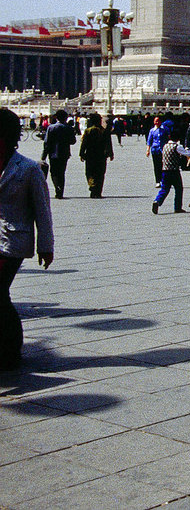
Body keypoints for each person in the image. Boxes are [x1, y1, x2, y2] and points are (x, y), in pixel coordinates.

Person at [0, 109, 54, 372]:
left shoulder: (28, 168)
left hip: (13, 242)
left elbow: (42, 211)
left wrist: (46, 246)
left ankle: (11, 349)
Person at [152, 123, 188, 214]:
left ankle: (157, 201)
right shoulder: (177, 146)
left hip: (165, 170)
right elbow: (187, 154)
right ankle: (177, 207)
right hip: (174, 171)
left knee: (165, 189)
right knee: (179, 189)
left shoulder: (165, 146)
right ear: (178, 138)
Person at [78, 113, 114, 198]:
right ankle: (98, 191)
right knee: (100, 173)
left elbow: (84, 144)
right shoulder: (104, 131)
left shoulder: (88, 131)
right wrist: (110, 153)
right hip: (101, 155)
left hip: (90, 155)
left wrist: (82, 153)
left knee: (89, 172)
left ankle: (92, 185)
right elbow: (109, 143)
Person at [41, 109, 75, 199]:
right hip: (65, 153)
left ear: (56, 117)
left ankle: (57, 188)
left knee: (54, 172)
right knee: (62, 171)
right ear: (66, 117)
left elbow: (47, 142)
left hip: (53, 153)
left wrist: (44, 155)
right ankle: (61, 190)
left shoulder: (51, 127)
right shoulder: (69, 128)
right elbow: (73, 141)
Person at [145, 116, 166, 185]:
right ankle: (158, 181)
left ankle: (163, 180)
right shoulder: (152, 131)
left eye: (158, 121)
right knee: (156, 166)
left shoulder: (164, 129)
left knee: (163, 166)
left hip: (163, 150)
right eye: (155, 121)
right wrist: (148, 150)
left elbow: (167, 139)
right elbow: (149, 141)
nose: (157, 122)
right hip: (155, 150)